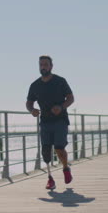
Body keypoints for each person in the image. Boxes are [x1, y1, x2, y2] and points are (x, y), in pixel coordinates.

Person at [26, 55, 75, 190]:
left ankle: (65, 168)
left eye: (46, 65)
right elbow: (29, 103)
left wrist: (61, 107)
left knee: (59, 147)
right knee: (46, 151)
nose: (43, 67)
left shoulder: (60, 81)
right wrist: (32, 110)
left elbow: (71, 98)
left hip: (60, 120)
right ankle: (50, 179)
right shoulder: (35, 85)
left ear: (51, 66)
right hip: (45, 121)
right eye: (41, 65)